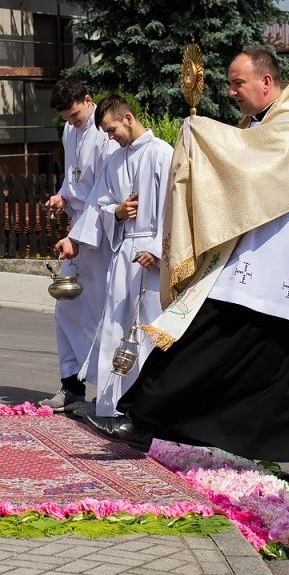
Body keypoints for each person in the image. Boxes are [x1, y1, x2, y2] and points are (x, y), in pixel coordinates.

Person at [100, 48, 289, 490]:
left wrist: (200, 132)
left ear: (267, 83)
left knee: (200, 341)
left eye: (238, 84)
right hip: (254, 268)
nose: (231, 92)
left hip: (272, 272)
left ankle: (142, 420)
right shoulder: (262, 126)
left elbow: (248, 167)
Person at [81, 95, 173, 429]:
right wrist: (116, 212)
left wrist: (160, 250)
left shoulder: (162, 153)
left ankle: (147, 411)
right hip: (123, 253)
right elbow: (101, 202)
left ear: (129, 118)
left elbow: (173, 209)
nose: (110, 137)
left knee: (149, 328)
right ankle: (110, 406)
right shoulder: (115, 160)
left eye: (112, 129)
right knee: (116, 324)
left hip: (151, 256)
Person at [43, 78, 115, 413]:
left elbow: (103, 194)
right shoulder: (70, 131)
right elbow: (73, 178)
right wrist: (61, 196)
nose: (72, 122)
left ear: (89, 100)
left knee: (99, 312)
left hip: (100, 235)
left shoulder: (105, 136)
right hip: (77, 228)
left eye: (75, 115)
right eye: (67, 118)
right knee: (66, 306)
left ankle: (109, 391)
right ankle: (71, 385)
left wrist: (76, 237)